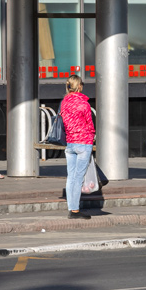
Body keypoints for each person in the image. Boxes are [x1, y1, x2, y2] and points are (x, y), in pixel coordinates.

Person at [60, 74, 95, 220]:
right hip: (83, 143)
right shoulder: (84, 104)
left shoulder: (64, 103)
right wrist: (91, 137)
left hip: (70, 143)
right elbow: (90, 124)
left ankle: (71, 208)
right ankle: (74, 210)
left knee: (71, 177)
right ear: (79, 86)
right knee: (79, 177)